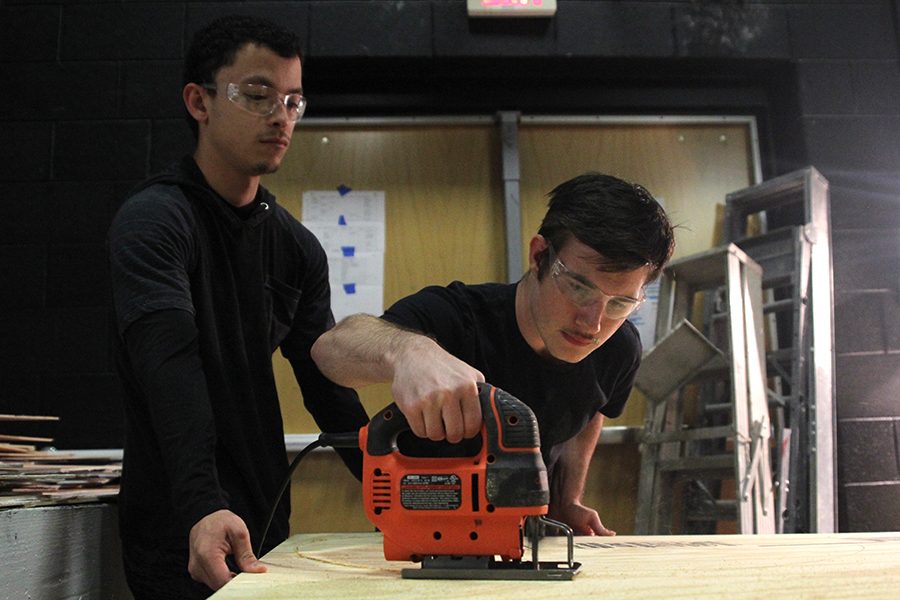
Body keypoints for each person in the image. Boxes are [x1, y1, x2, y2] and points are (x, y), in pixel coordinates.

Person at [108, 15, 368, 599]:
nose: (281, 116)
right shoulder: (155, 221)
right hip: (181, 530)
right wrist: (203, 505)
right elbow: (168, 369)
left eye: (294, 100)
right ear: (199, 102)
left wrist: (398, 489)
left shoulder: (295, 248)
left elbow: (328, 390)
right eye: (257, 95)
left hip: (268, 524)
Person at [311, 172, 675, 537]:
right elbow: (330, 350)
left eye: (621, 303)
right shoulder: (458, 316)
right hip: (420, 533)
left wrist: (568, 500)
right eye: (579, 288)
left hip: (524, 532)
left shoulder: (619, 348)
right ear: (539, 256)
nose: (593, 323)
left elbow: (591, 411)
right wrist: (407, 350)